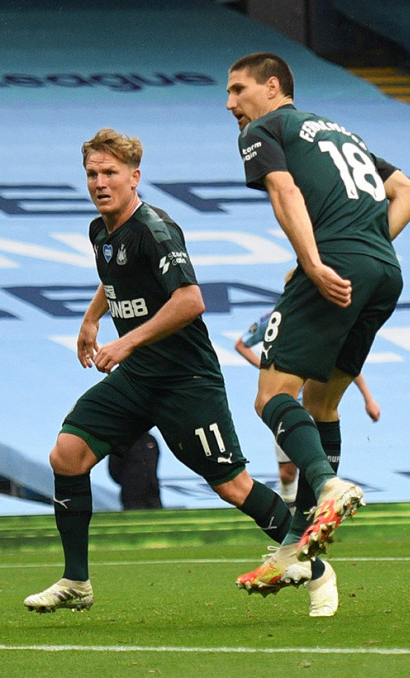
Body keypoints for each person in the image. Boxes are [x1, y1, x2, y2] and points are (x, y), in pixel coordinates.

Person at [22, 128, 294, 613]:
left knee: (232, 485)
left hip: (185, 380)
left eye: (110, 173)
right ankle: (76, 581)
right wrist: (90, 319)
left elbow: (190, 301)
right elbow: (115, 279)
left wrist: (125, 342)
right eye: (92, 174)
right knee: (67, 455)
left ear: (134, 177)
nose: (99, 182)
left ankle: (301, 550)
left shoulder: (154, 228)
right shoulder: (100, 230)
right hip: (137, 378)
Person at [225, 52, 410, 615]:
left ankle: (327, 487)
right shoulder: (341, 131)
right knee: (323, 403)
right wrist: (367, 247)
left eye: (239, 90)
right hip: (385, 271)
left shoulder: (268, 129)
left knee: (272, 395)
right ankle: (297, 546)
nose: (230, 103)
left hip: (335, 266)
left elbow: (285, 193)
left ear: (271, 87)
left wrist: (312, 262)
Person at [235, 305, 381, 506]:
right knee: (287, 473)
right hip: (286, 404)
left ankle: (311, 516)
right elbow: (241, 344)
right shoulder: (274, 319)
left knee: (313, 466)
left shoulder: (324, 321)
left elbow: (346, 364)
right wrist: (267, 367)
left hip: (316, 406)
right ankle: (291, 517)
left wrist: (368, 398)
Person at [107, 431, 163, 510]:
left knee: (158, 520)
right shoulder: (121, 442)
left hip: (152, 493)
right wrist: (129, 482)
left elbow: (154, 464)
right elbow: (114, 469)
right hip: (132, 496)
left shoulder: (151, 440)